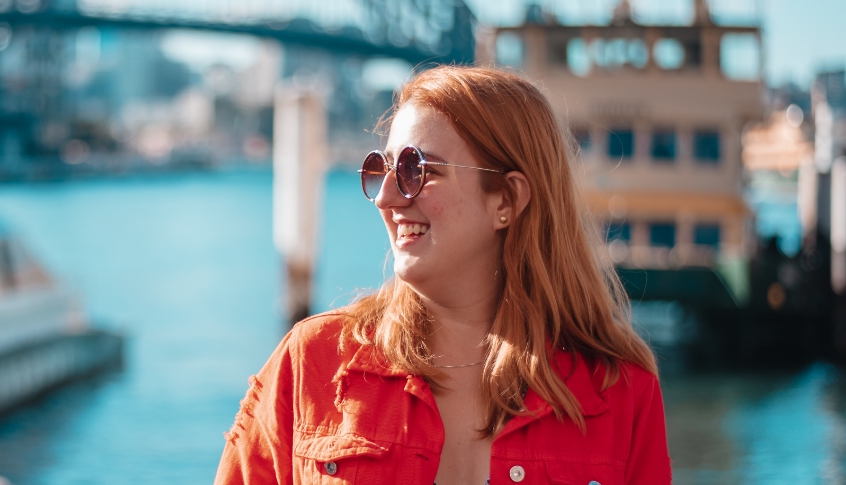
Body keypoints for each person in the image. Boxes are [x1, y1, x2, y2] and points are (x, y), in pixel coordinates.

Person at [215, 66, 670, 485]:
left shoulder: (623, 393)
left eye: (418, 170)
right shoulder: (310, 365)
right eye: (382, 169)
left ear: (506, 201)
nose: (386, 198)